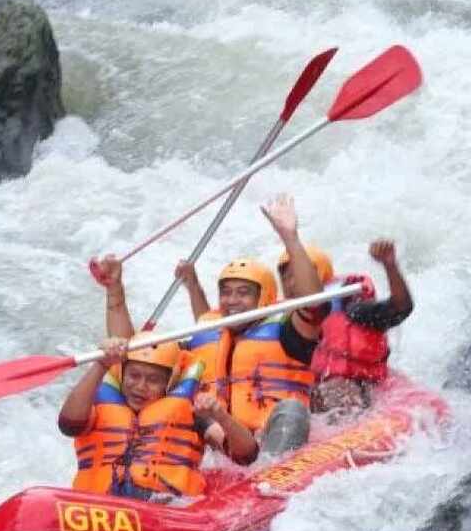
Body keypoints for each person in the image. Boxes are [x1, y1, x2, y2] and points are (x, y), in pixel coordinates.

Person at [97, 193, 325, 463]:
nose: (232, 300)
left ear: (264, 298)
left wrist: (290, 237)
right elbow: (133, 354)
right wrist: (114, 291)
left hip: (276, 439)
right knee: (179, 403)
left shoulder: (288, 332)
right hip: (223, 442)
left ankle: (270, 477)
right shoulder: (206, 337)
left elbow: (314, 306)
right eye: (226, 292)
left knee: (292, 410)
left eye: (243, 293)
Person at [58, 334, 251, 501]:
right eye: (134, 376)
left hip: (165, 510)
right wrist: (101, 364)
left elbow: (246, 455)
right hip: (95, 509)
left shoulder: (192, 414)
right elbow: (69, 425)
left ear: (169, 383)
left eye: (153, 380)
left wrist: (222, 417)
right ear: (122, 374)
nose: (140, 386)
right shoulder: (97, 407)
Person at [309, 239, 414, 412]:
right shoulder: (279, 319)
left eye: (295, 274)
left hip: (356, 387)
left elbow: (400, 307)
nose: (291, 282)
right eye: (285, 276)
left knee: (335, 389)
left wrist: (390, 265)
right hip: (309, 393)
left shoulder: (353, 309)